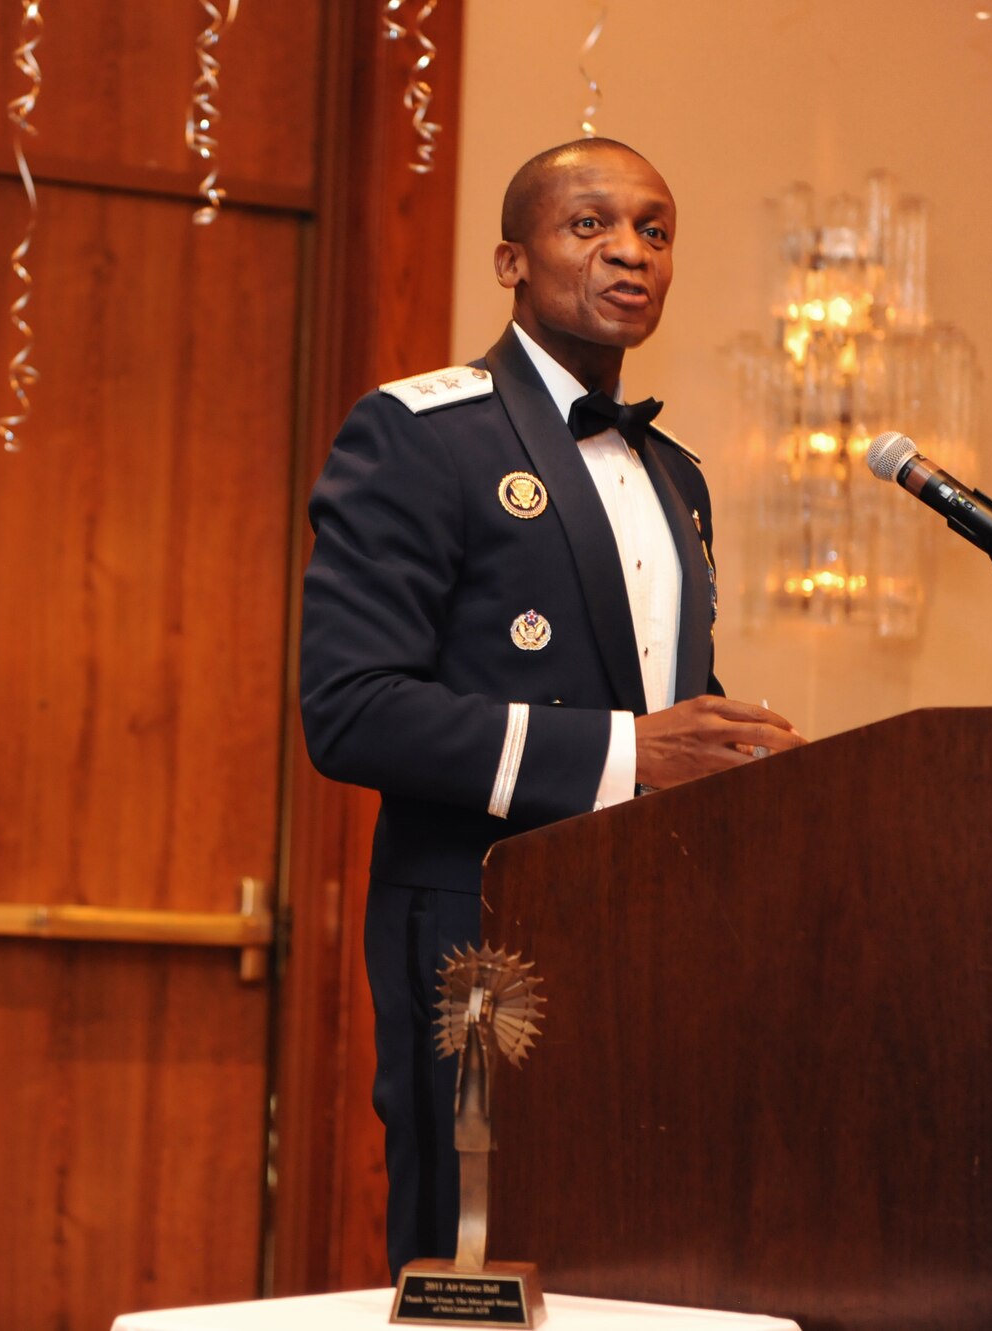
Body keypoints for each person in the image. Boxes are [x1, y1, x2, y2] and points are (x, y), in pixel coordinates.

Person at [298, 137, 807, 1277]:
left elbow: (659, 699)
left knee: (639, 1252)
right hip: (484, 929)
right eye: (588, 226)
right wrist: (632, 749)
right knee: (477, 1258)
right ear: (509, 259)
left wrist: (740, 750)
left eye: (653, 230)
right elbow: (350, 709)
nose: (627, 252)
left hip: (661, 924)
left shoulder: (676, 473)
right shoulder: (420, 434)